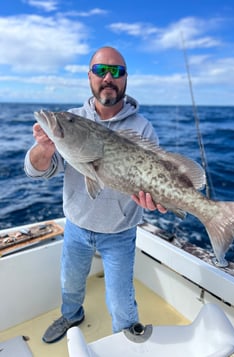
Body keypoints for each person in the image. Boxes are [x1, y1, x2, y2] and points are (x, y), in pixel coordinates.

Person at [24, 46, 166, 344]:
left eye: (117, 71)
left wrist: (155, 200)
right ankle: (71, 315)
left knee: (121, 302)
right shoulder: (71, 119)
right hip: (76, 226)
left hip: (120, 233)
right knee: (70, 284)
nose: (109, 77)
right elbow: (36, 170)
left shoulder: (142, 128)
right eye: (101, 70)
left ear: (126, 79)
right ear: (89, 76)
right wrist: (44, 149)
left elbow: (156, 179)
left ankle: (127, 340)